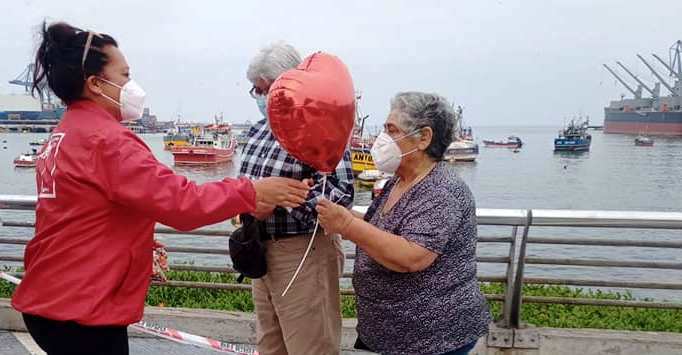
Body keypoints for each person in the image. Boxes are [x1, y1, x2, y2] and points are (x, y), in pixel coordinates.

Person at [11, 22, 310, 355]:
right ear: (95, 84)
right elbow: (182, 203)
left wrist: (135, 244)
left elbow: (82, 213)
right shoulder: (106, 140)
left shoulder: (65, 133)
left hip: (51, 296)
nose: (131, 85)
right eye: (124, 76)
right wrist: (252, 191)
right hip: (84, 308)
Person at [317, 92, 491, 355]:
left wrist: (347, 226)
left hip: (434, 338)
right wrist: (339, 213)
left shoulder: (441, 191)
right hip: (394, 333)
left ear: (424, 138)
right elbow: (383, 228)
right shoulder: (399, 181)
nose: (381, 139)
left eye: (391, 130)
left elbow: (411, 256)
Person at [240, 42, 354, 355]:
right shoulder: (258, 131)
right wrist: (249, 206)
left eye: (267, 89)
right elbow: (244, 184)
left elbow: (342, 197)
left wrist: (286, 198)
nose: (262, 97)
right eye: (256, 90)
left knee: (310, 345)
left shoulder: (321, 125)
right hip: (260, 249)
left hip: (303, 250)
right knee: (270, 344)